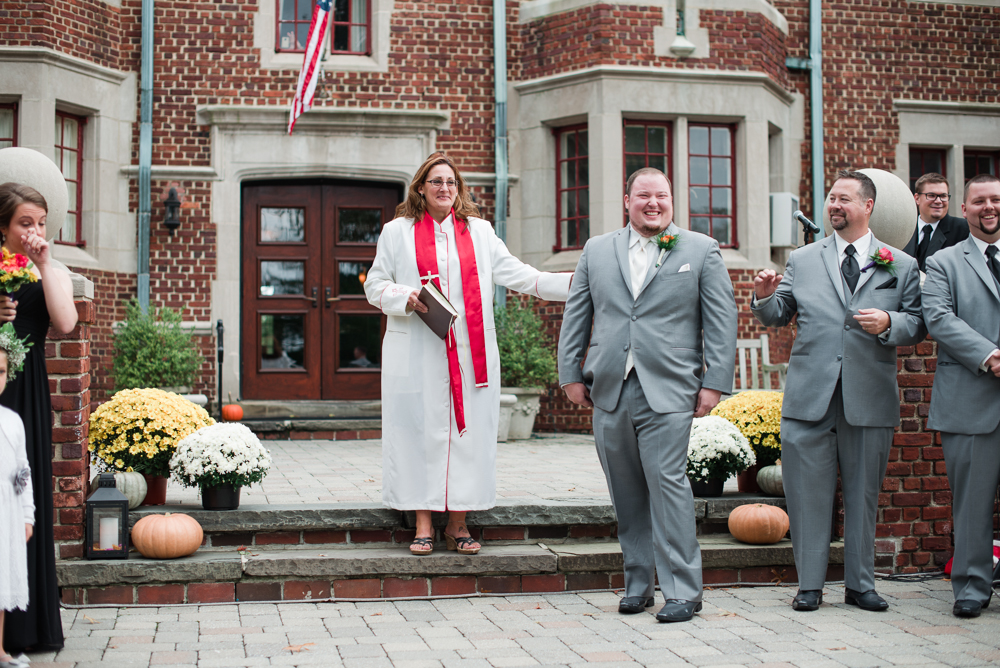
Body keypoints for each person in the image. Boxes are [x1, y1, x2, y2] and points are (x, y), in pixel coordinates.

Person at [364, 153, 572, 556]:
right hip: (416, 350)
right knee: (417, 434)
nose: (445, 188)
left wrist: (579, 282)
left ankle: (458, 523)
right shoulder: (396, 232)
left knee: (469, 436)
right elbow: (374, 285)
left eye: (452, 182)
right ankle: (423, 524)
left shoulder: (479, 232)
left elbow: (521, 275)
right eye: (436, 181)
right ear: (421, 187)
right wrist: (403, 295)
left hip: (470, 353)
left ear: (458, 190)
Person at [557, 167, 737, 623]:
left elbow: (720, 321)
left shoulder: (700, 249)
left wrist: (714, 382)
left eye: (661, 196)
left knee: (669, 486)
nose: (652, 203)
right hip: (610, 387)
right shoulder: (597, 250)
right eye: (643, 196)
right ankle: (638, 584)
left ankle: (682, 591)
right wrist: (570, 374)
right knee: (626, 491)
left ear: (672, 199)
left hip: (670, 387)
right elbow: (577, 313)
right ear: (627, 200)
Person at [751, 170, 925, 613]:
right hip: (810, 395)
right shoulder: (804, 259)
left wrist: (890, 324)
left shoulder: (899, 264)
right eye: (831, 198)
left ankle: (860, 585)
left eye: (844, 199)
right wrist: (765, 297)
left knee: (865, 494)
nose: (834, 205)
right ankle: (809, 585)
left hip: (868, 395)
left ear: (868, 206)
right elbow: (778, 315)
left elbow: (918, 323)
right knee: (806, 494)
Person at [0, 183, 78, 654]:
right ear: (4, 228)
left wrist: (45, 262)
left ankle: (28, 629)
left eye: (41, 223)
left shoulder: (52, 269)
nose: (35, 232)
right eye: (25, 223)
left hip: (26, 395)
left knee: (23, 499)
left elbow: (65, 322)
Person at [921, 173, 1000, 618]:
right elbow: (938, 317)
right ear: (964, 209)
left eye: (995, 200)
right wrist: (989, 355)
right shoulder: (944, 261)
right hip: (970, 397)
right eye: (978, 202)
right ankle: (971, 585)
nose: (988, 208)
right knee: (971, 501)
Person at [0, 323, 33, 668]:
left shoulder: (11, 421)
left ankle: (0, 650)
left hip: (5, 515)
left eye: (0, 371)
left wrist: (27, 514)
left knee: (1, 580)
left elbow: (22, 472)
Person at [902, 173, 969, 271]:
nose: (938, 201)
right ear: (917, 198)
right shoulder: (903, 230)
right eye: (931, 195)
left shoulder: (963, 229)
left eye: (943, 196)